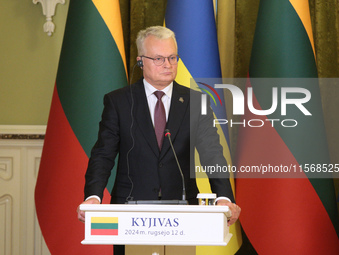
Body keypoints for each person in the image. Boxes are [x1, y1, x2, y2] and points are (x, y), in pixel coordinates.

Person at [77, 26, 241, 254]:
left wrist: (223, 197)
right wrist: (93, 196)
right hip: (130, 212)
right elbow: (103, 155)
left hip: (183, 214)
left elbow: (212, 153)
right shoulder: (119, 102)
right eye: (159, 58)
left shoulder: (197, 102)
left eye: (173, 57)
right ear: (141, 61)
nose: (168, 64)